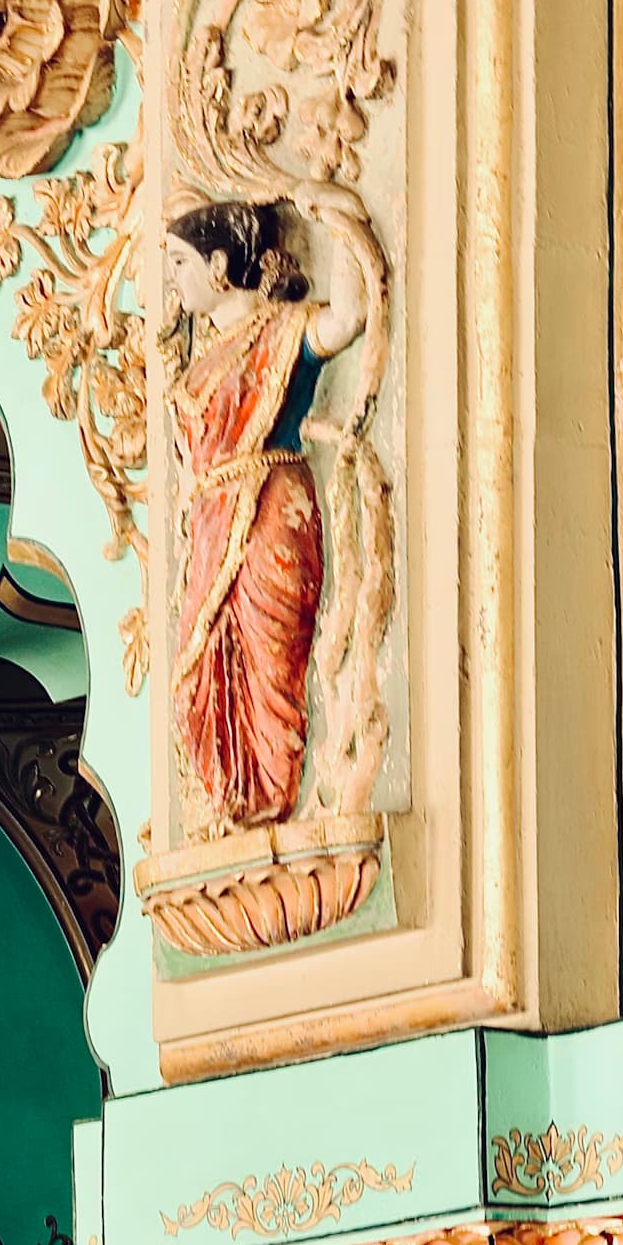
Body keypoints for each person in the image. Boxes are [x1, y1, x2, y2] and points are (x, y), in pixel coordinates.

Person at [164, 198, 363, 835]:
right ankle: (231, 803)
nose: (172, 279)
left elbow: (350, 318)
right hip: (211, 526)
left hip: (271, 512)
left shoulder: (281, 331)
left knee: (271, 660)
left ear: (219, 265)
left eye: (180, 262)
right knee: (200, 677)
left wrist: (339, 211)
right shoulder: (197, 369)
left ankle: (272, 792)